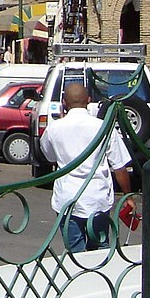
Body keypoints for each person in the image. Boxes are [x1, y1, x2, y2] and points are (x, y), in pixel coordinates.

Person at [40, 83, 135, 253]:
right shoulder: (103, 127)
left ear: (64, 102)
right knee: (99, 251)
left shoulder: (54, 128)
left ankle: (77, 277)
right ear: (89, 100)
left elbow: (49, 157)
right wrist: (128, 196)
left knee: (75, 253)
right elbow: (119, 167)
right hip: (97, 198)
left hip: (67, 199)